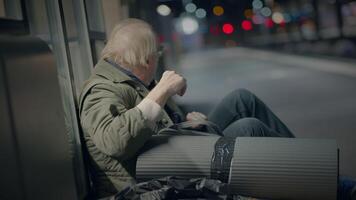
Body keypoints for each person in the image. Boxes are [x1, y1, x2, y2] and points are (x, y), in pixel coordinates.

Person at [78, 18, 295, 198]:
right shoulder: (101, 90)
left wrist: (190, 124)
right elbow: (114, 142)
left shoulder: (130, 79)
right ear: (145, 60)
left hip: (173, 151)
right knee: (250, 127)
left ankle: (310, 165)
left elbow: (157, 129)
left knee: (242, 99)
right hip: (152, 178)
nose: (157, 62)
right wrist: (161, 91)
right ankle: (310, 178)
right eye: (156, 55)